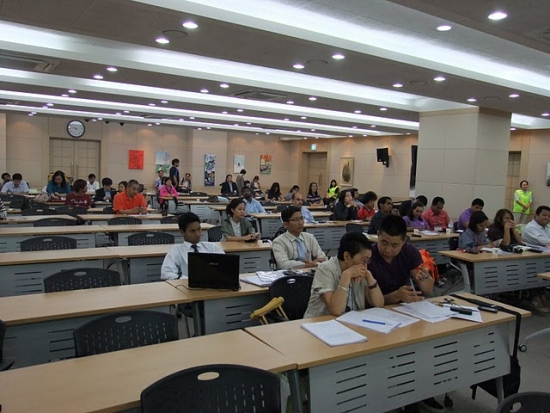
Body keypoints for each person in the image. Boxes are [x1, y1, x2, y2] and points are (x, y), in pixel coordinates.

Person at [304, 232, 383, 317]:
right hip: (320, 324)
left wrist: (369, 276)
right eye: (364, 261)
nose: (365, 266)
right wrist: (346, 276)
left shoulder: (361, 270)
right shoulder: (325, 269)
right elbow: (336, 310)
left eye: (368, 261)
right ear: (347, 257)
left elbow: (379, 304)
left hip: (351, 322)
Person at [369, 215, 434, 306]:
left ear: (404, 241)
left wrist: (424, 277)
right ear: (378, 235)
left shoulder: (409, 252)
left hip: (402, 308)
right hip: (374, 310)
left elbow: (428, 289)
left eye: (394, 245)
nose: (388, 250)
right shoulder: (367, 256)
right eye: (384, 242)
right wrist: (396, 296)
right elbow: (368, 301)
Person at [161, 212, 225, 280]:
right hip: (187, 287)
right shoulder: (176, 251)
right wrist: (186, 280)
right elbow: (166, 273)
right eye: (192, 231)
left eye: (199, 229)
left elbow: (226, 264)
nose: (197, 234)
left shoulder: (212, 247)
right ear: (182, 232)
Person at [516, 205, 550, 313]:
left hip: (543, 259)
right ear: (536, 215)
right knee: (536, 278)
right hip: (530, 262)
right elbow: (544, 241)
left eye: (549, 216)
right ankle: (534, 296)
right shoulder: (531, 227)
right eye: (544, 215)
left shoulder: (547, 227)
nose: (547, 218)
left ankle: (541, 293)